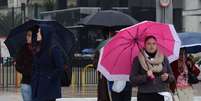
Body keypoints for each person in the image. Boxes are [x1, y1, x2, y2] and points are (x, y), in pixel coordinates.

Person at [130, 36, 175, 101]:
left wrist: (167, 77)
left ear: (156, 45)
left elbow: (172, 77)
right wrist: (146, 76)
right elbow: (132, 79)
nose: (152, 46)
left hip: (162, 94)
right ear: (144, 45)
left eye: (154, 43)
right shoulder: (138, 60)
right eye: (149, 44)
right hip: (145, 95)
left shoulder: (163, 58)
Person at [31, 25, 65, 101]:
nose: (37, 34)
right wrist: (33, 78)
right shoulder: (38, 49)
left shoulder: (54, 49)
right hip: (37, 87)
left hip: (48, 89)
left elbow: (60, 67)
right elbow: (35, 66)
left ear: (45, 34)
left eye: (39, 32)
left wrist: (49, 77)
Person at [15, 28, 33, 101]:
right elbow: (18, 65)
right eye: (27, 35)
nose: (27, 37)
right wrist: (26, 71)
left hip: (38, 83)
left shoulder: (40, 49)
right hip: (26, 82)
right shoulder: (23, 48)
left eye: (29, 35)